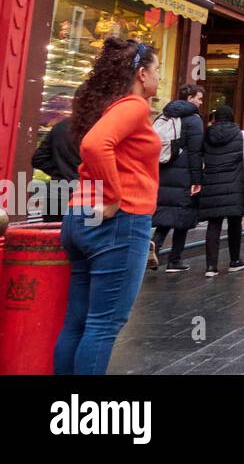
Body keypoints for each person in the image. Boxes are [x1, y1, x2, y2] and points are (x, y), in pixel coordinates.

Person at [54, 37, 161, 375]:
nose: (159, 76)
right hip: (118, 220)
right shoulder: (135, 106)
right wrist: (114, 197)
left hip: (81, 215)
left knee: (77, 321)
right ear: (142, 74)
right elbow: (95, 145)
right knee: (103, 324)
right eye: (157, 69)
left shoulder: (111, 107)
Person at [150, 84, 205, 273]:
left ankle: (155, 246)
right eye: (199, 98)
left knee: (166, 213)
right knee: (183, 217)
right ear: (189, 98)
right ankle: (175, 259)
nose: (201, 102)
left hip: (164, 170)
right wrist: (197, 180)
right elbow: (196, 153)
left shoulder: (165, 115)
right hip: (185, 173)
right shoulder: (194, 120)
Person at [199, 105, 244, 277]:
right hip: (235, 184)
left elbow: (200, 156)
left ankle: (211, 266)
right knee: (235, 223)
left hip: (212, 184)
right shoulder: (240, 134)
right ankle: (234, 260)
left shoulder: (207, 135)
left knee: (214, 224)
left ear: (215, 118)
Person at [32, 117, 78, 222]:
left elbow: (38, 159)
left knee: (51, 231)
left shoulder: (61, 126)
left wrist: (61, 171)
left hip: (55, 193)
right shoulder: (101, 129)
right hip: (86, 197)